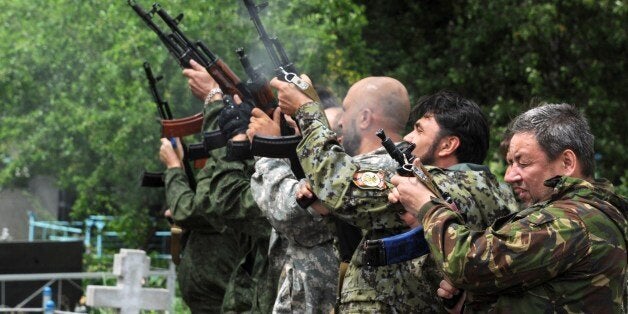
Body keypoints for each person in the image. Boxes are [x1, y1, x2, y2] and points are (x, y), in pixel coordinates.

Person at [273, 77, 519, 312]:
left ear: (448, 145)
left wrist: (306, 111)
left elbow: (340, 186)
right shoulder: (494, 191)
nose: (409, 138)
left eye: (420, 131)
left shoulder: (435, 187)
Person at [391, 103, 627, 313]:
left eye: (523, 162)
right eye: (510, 163)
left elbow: (468, 262)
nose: (509, 176)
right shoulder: (590, 215)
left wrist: (427, 205)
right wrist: (468, 302)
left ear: (566, 162)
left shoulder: (572, 221)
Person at [158, 59, 245, 313]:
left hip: (223, 296)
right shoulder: (232, 164)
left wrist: (174, 168)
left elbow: (196, 208)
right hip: (214, 294)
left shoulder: (237, 164)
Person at [248, 96, 342, 313]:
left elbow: (286, 211)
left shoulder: (336, 187)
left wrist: (268, 150)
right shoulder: (300, 182)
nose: (295, 137)